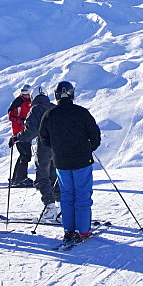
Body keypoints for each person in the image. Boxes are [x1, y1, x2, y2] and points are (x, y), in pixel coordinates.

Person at [39, 81, 101, 244]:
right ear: (72, 94)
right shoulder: (81, 113)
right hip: (82, 160)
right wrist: (89, 147)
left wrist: (56, 148)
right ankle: (83, 230)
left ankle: (69, 229)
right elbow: (95, 134)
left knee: (66, 195)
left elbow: (43, 137)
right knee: (82, 194)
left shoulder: (50, 114)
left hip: (61, 161)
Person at [15, 86, 60, 221]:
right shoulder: (53, 107)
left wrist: (17, 137)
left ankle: (50, 208)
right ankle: (62, 208)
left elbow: (31, 132)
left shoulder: (35, 109)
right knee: (55, 176)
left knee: (42, 175)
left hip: (45, 146)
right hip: (58, 146)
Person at [7, 86, 33, 187]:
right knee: (25, 155)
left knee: (24, 155)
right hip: (19, 132)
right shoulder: (19, 101)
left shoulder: (29, 101)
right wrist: (20, 121)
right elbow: (10, 115)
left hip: (26, 132)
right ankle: (20, 178)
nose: (26, 95)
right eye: (24, 93)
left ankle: (17, 178)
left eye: (27, 93)